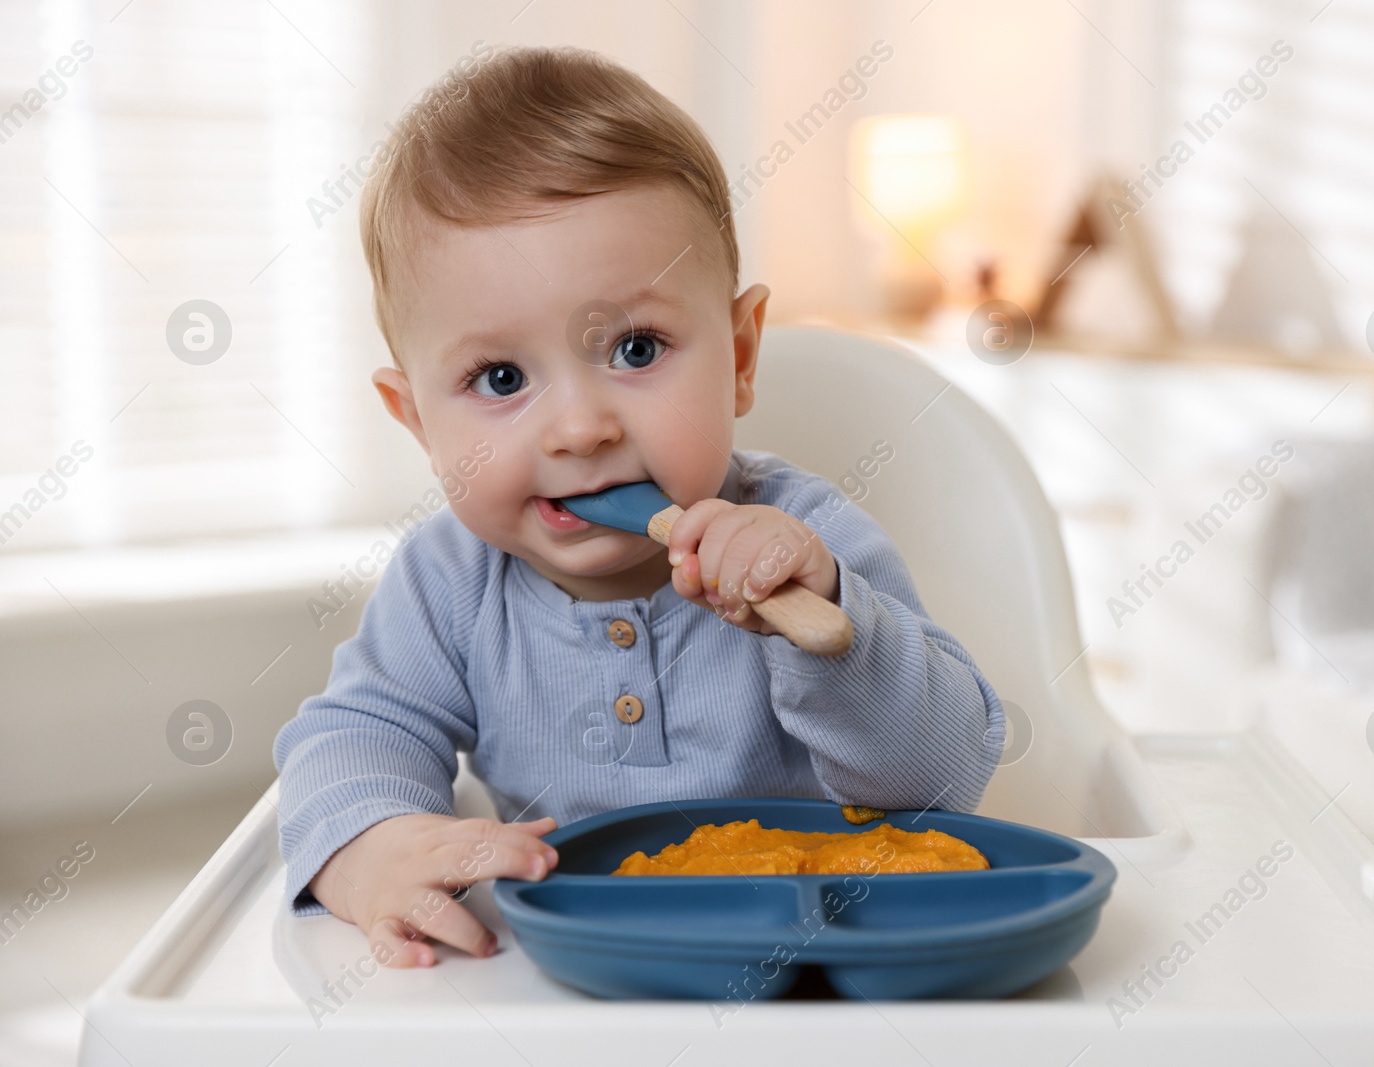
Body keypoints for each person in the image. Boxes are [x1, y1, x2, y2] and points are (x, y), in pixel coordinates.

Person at [272, 44, 1006, 969]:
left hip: (821, 959)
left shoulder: (813, 542)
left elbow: (943, 781)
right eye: (500, 377)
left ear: (740, 356)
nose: (580, 428)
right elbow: (349, 737)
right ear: (418, 420)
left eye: (635, 349)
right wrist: (368, 846)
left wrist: (831, 624)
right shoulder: (449, 582)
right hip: (577, 981)